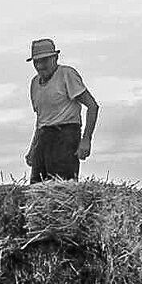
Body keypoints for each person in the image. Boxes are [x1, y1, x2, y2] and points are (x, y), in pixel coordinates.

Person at [25, 37, 99, 182]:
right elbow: (40, 120)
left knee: (62, 188)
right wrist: (33, 148)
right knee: (37, 189)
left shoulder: (67, 74)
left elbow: (92, 106)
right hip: (44, 137)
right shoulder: (34, 83)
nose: (40, 66)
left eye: (44, 60)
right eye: (36, 62)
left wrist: (86, 140)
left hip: (65, 135)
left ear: (55, 58)